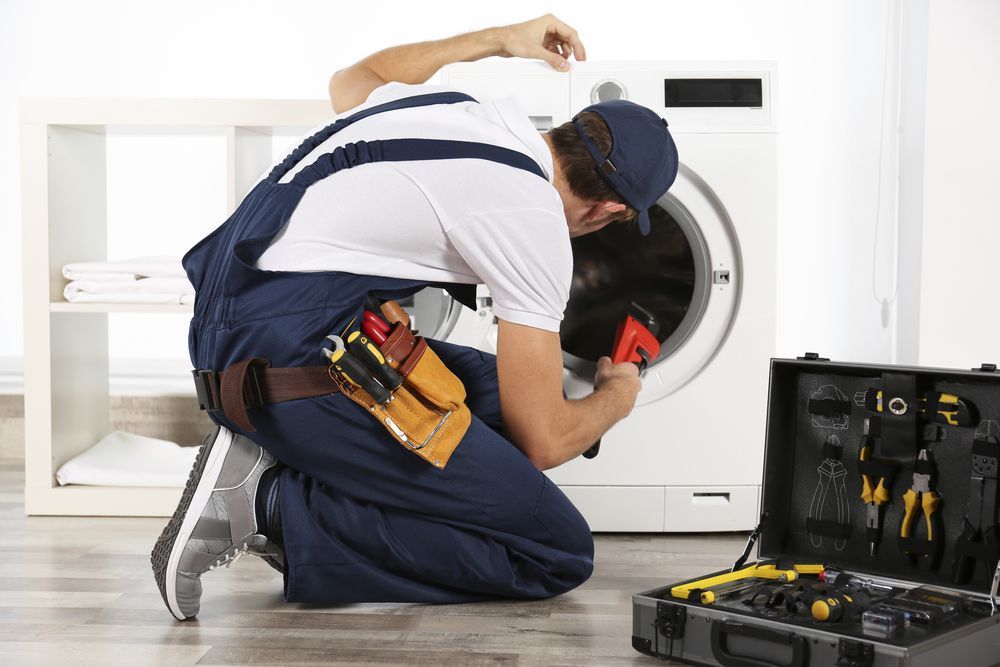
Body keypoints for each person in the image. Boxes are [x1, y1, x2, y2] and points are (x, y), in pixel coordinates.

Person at [151, 14, 678, 621]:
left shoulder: (464, 110)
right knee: (555, 551)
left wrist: (498, 40)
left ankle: (283, 457)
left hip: (249, 322)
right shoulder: (532, 219)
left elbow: (355, 78)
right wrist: (616, 396)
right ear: (609, 211)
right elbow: (546, 440)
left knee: (496, 396)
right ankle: (267, 503)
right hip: (282, 358)